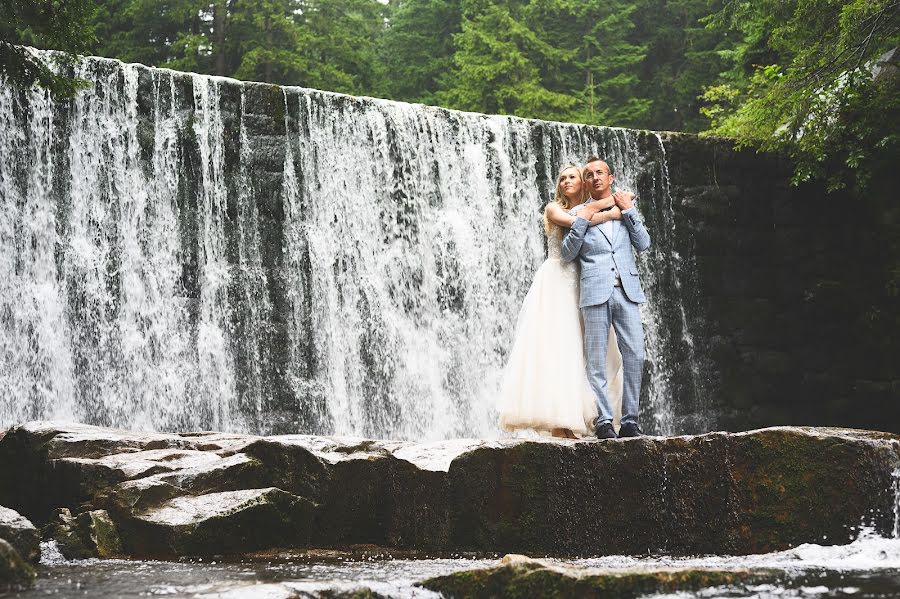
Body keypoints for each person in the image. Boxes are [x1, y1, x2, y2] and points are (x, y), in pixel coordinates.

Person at [499, 165, 624, 438]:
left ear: (583, 183)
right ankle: (559, 420)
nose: (567, 181)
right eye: (562, 178)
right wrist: (613, 210)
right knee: (558, 348)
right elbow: (579, 221)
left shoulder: (591, 207)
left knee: (586, 348)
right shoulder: (553, 209)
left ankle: (589, 416)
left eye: (572, 177)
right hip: (556, 283)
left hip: (586, 282)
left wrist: (603, 209)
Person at [561, 157, 651, 439]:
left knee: (635, 354)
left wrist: (630, 210)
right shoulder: (577, 213)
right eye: (589, 175)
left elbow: (644, 243)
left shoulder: (626, 209)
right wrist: (583, 220)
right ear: (585, 183)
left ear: (611, 178)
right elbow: (566, 253)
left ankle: (631, 421)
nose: (595, 177)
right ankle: (603, 420)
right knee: (596, 359)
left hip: (627, 290)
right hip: (594, 291)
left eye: (600, 172)